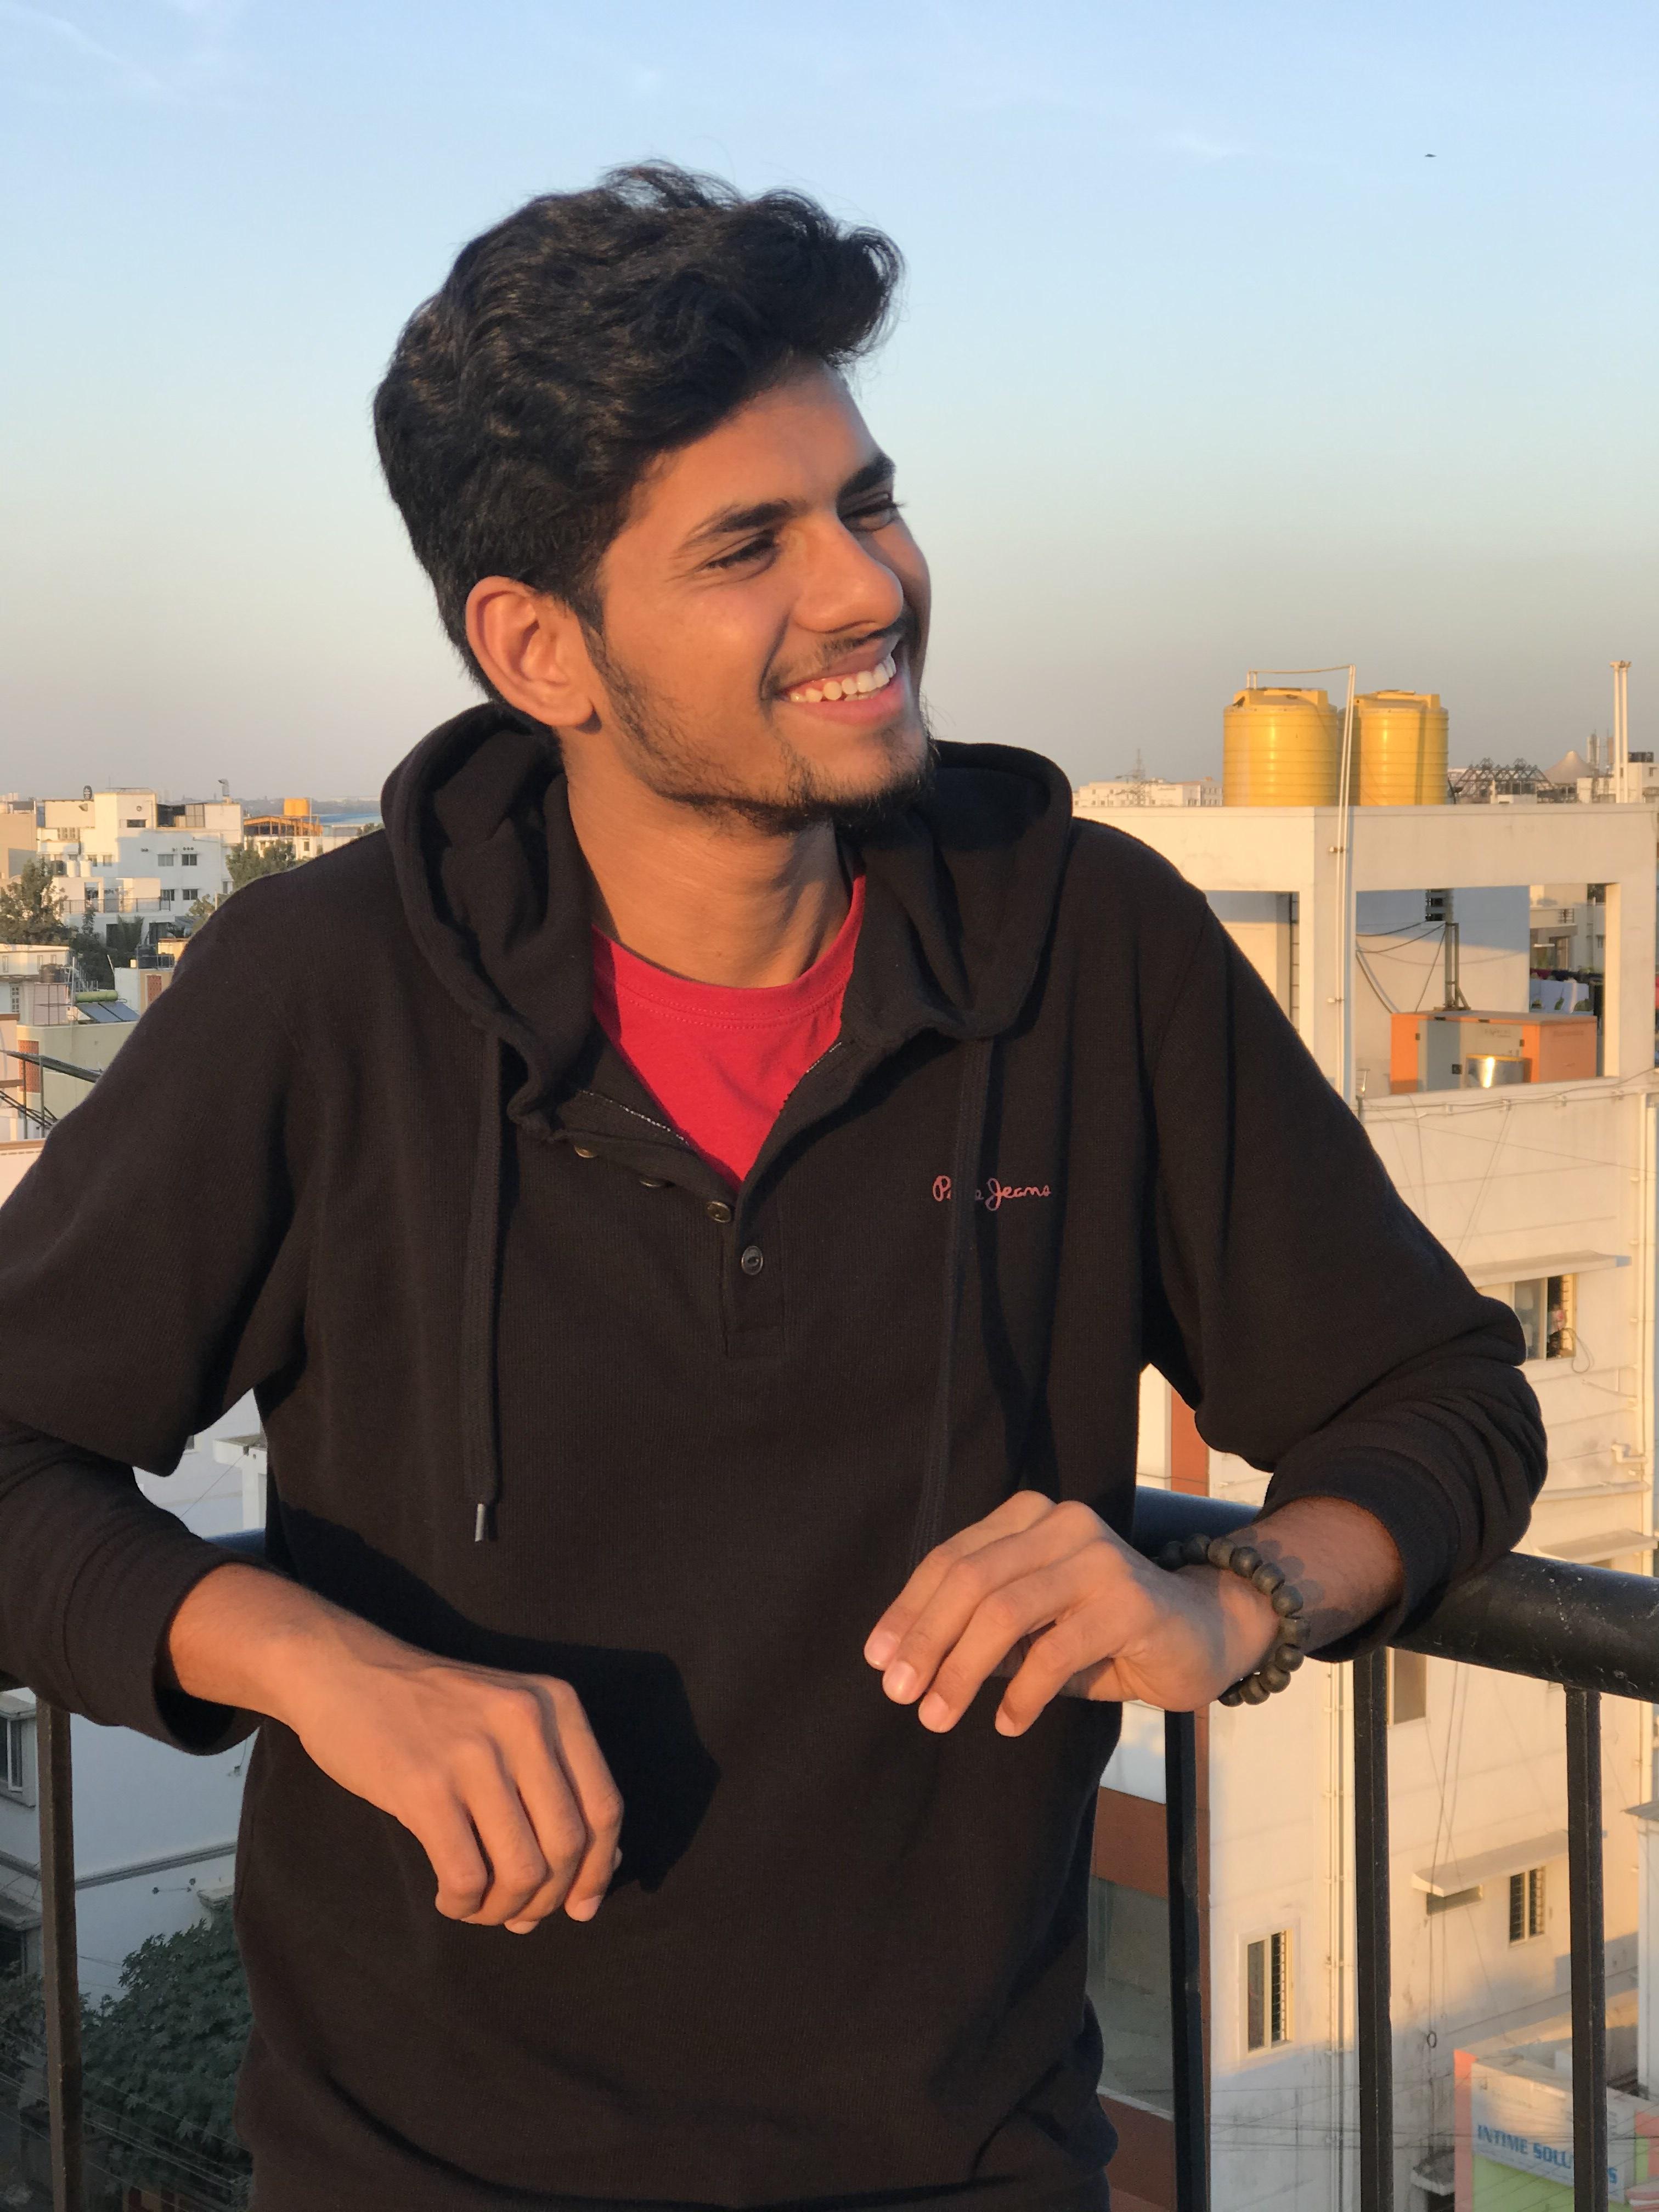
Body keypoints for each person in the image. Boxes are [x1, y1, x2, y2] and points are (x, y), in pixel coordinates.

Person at [0, 166, 1544, 2212]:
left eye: (866, 503)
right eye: (750, 545)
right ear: (539, 647)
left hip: (964, 2166)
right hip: (422, 2172)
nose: (865, 588)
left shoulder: (1088, 948)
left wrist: (1236, 1600)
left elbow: (1445, 1398)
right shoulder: (328, 992)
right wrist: (307, 1663)